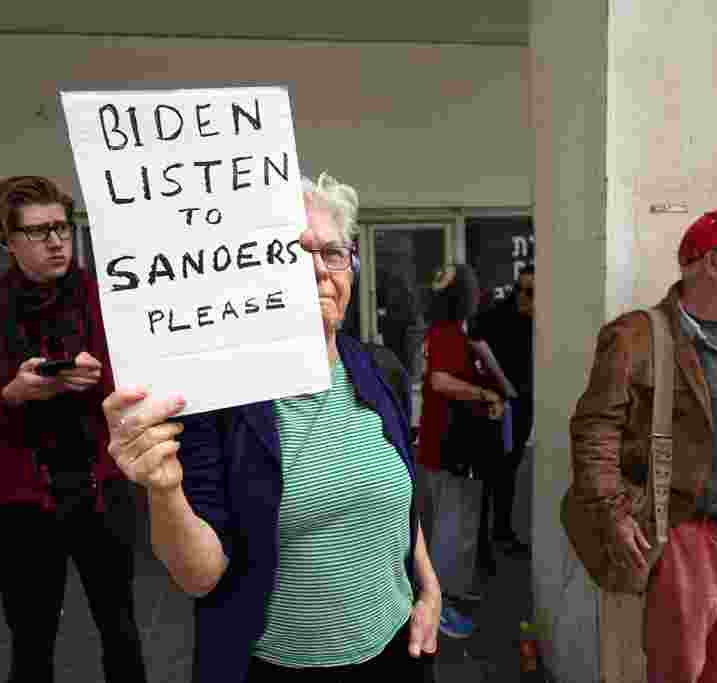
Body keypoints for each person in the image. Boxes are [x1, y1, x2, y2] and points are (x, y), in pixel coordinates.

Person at [103, 173, 441, 683]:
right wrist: (164, 489)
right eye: (293, 254)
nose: (319, 270)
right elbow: (199, 578)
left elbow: (402, 503)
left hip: (395, 649)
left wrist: (429, 589)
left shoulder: (380, 368)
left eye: (332, 253)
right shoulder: (214, 400)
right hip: (278, 664)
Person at [568, 207, 717, 682]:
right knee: (680, 671)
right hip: (685, 535)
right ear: (714, 262)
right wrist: (613, 512)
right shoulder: (638, 336)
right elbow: (596, 430)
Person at [0, 176, 146, 683]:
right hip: (22, 500)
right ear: (6, 241)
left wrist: (101, 381)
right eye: (38, 231)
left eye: (62, 227)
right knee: (32, 638)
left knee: (121, 627)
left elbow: (143, 387)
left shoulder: (106, 297)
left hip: (102, 489)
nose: (56, 241)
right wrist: (12, 395)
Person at [417, 263, 506, 639]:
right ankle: (442, 606)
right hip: (451, 448)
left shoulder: (441, 332)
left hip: (441, 446)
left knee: (445, 525)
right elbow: (440, 381)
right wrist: (484, 393)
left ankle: (445, 593)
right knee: (453, 529)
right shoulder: (449, 334)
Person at [471, 264, 534, 555]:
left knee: (510, 468)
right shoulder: (498, 316)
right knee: (491, 470)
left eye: (531, 292)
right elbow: (473, 336)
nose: (524, 297)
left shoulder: (537, 321)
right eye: (521, 290)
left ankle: (501, 530)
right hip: (496, 404)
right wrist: (497, 380)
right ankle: (484, 538)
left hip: (522, 404)